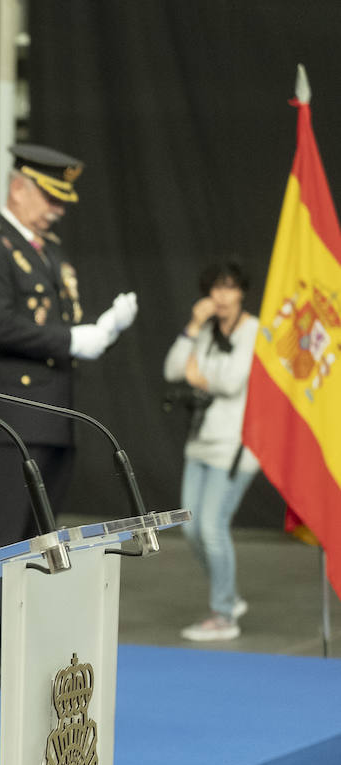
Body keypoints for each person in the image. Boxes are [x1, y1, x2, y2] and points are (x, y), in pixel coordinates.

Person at [0, 144, 137, 686]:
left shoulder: (49, 251)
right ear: (18, 188)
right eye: (49, 197)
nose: (57, 209)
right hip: (12, 411)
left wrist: (98, 329)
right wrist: (73, 338)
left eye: (62, 200)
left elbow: (61, 321)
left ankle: (24, 637)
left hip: (54, 411)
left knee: (41, 537)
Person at [163, 260, 259, 641]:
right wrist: (191, 327)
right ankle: (230, 596)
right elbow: (173, 369)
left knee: (212, 527)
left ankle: (224, 615)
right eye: (215, 288)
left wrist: (200, 375)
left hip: (235, 446)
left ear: (241, 292)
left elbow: (233, 382)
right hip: (200, 442)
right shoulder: (203, 331)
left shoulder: (253, 330)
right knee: (190, 527)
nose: (221, 296)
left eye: (229, 287)